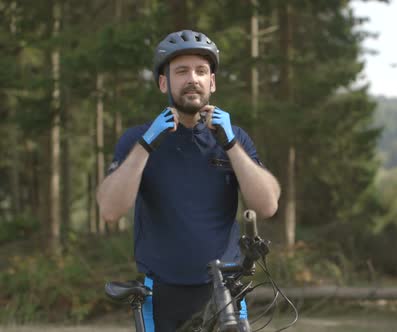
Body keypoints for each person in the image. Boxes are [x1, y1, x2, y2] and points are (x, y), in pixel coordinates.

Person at [96, 29, 280, 332]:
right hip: (161, 294)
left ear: (212, 82)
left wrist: (231, 144)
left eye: (201, 71)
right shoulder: (137, 139)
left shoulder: (234, 138)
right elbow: (110, 211)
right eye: (181, 71)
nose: (192, 78)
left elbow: (268, 205)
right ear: (163, 82)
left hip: (225, 291)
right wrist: (145, 145)